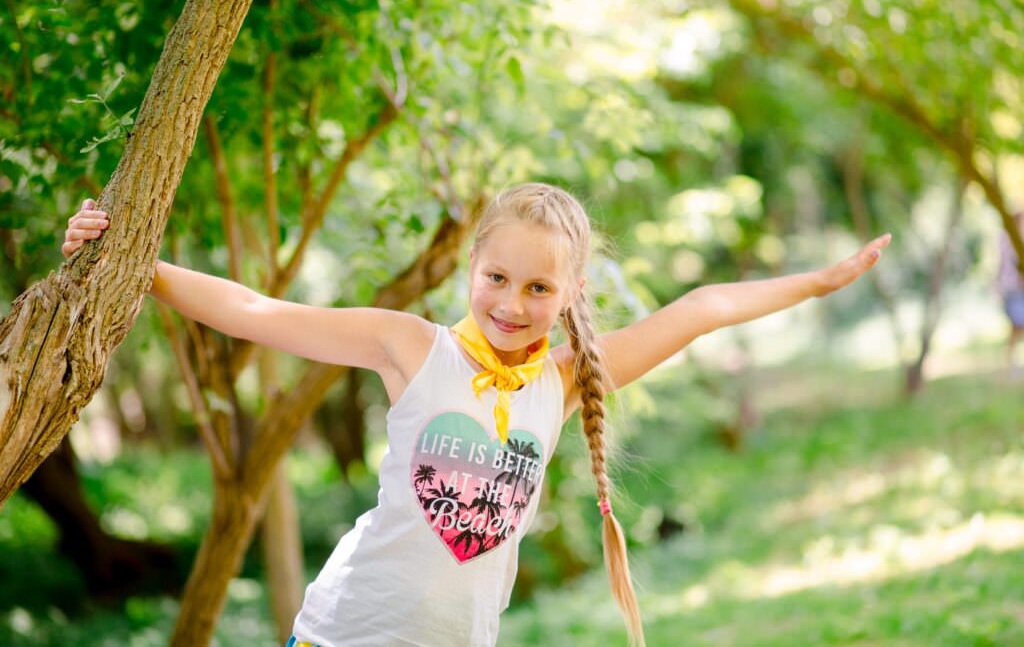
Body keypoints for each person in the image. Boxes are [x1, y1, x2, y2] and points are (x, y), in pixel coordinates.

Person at [64, 184, 890, 647]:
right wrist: (134, 262)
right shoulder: (412, 347)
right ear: (471, 265)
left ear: (570, 294)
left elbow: (702, 307)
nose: (512, 303)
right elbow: (257, 310)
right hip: (346, 636)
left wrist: (819, 281)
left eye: (538, 287)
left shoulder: (564, 382)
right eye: (497, 277)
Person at [997, 212, 1024, 374]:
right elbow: (1004, 266)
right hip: (1012, 288)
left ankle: (1011, 363)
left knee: (1017, 327)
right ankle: (1010, 363)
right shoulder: (1007, 240)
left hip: (1017, 289)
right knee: (1016, 326)